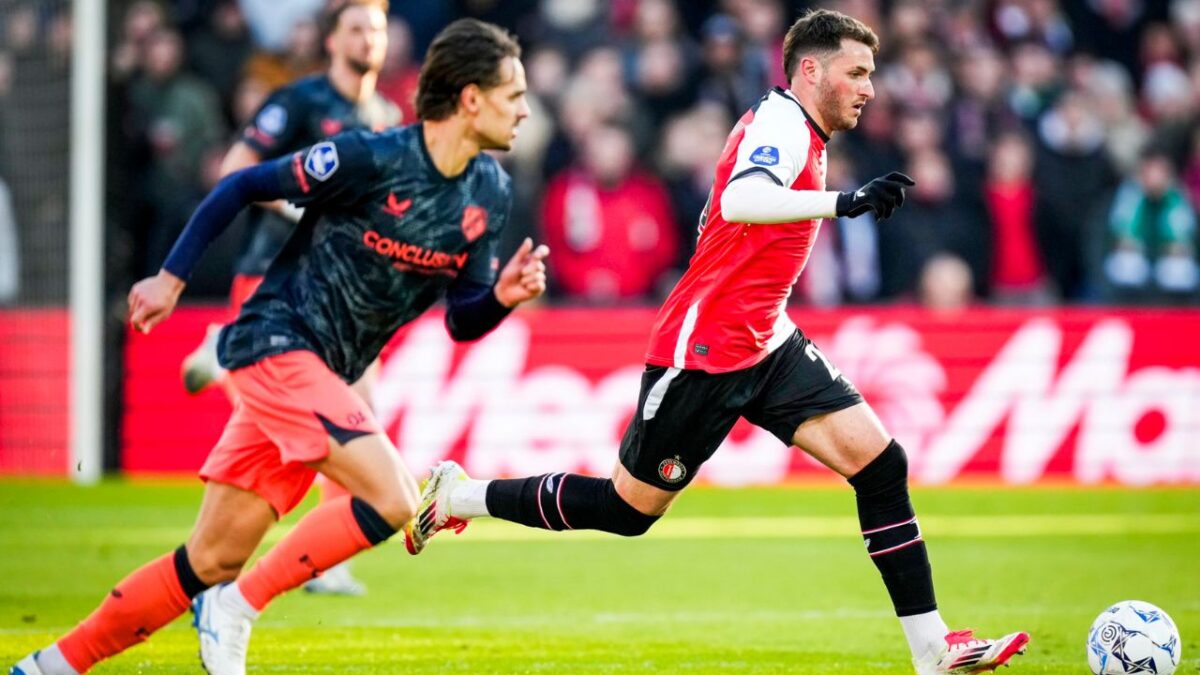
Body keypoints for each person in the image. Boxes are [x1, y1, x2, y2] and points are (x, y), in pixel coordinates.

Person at [406, 10, 1029, 675]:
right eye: (857, 72)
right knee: (626, 509)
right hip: (704, 347)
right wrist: (842, 203)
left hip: (766, 338)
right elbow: (740, 200)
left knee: (879, 464)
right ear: (810, 70)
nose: (868, 88)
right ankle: (459, 496)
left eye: (870, 75)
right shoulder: (781, 124)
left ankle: (932, 648)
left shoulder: (800, 129)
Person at [11, 18, 542, 675]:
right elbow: (241, 185)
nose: (524, 110)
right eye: (513, 95)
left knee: (208, 557)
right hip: (276, 340)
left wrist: (502, 297)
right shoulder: (370, 158)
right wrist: (170, 277)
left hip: (324, 369)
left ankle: (51, 664)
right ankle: (238, 605)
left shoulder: (489, 193)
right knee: (396, 498)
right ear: (470, 98)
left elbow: (462, 319)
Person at [180, 0, 401, 595]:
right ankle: (229, 350)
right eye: (356, 29)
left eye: (376, 31)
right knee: (299, 416)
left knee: (355, 413)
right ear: (332, 41)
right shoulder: (298, 102)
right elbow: (235, 169)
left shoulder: (387, 115)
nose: (368, 40)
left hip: (345, 290)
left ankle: (322, 560)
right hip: (274, 276)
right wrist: (300, 204)